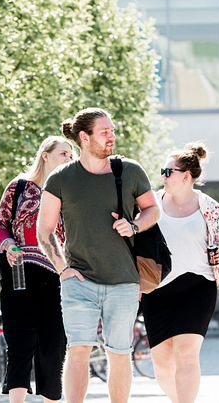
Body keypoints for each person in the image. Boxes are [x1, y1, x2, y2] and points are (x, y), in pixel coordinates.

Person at [37, 108, 159, 403]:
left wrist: (134, 225)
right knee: (78, 349)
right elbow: (45, 231)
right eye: (105, 132)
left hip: (124, 281)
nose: (112, 137)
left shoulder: (129, 171)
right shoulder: (61, 178)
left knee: (119, 353)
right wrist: (62, 269)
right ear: (84, 137)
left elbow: (153, 210)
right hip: (79, 281)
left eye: (112, 131)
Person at [140, 142, 219, 403]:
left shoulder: (211, 209)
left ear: (186, 176)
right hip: (157, 289)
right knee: (161, 362)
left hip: (198, 286)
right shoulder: (150, 204)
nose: (163, 176)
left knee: (187, 352)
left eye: (168, 171)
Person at [0, 135, 74, 402]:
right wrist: (8, 244)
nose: (69, 159)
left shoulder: (68, 193)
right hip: (19, 274)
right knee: (19, 346)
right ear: (45, 155)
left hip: (56, 276)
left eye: (71, 155)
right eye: (64, 153)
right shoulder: (19, 187)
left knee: (54, 346)